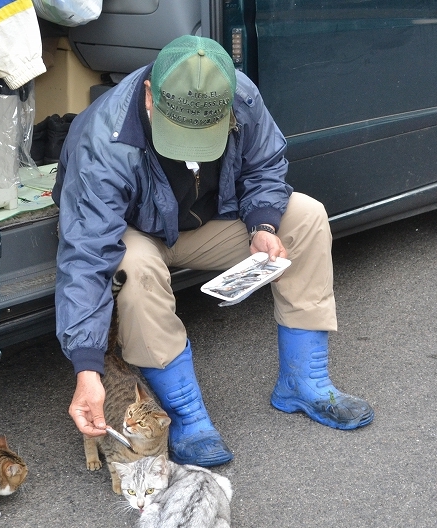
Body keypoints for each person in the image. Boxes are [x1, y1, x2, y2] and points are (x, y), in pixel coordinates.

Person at [51, 35, 374, 467]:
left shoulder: (239, 94)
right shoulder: (102, 141)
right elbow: (87, 255)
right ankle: (187, 418)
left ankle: (304, 384)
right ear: (151, 94)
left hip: (202, 225)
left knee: (307, 216)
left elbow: (265, 164)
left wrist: (262, 224)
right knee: (134, 266)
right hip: (133, 234)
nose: (190, 154)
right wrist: (86, 369)